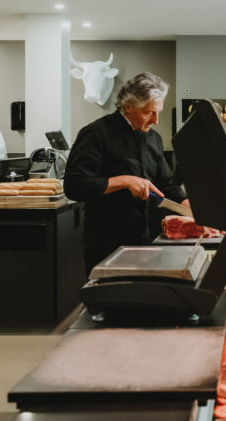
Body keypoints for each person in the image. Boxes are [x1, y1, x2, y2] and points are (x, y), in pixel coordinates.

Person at [64, 72, 187, 273]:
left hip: (149, 244)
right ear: (128, 107)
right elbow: (74, 185)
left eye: (158, 112)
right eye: (149, 113)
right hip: (108, 246)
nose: (156, 120)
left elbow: (167, 185)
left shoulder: (153, 138)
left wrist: (185, 204)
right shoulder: (96, 133)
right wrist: (123, 181)